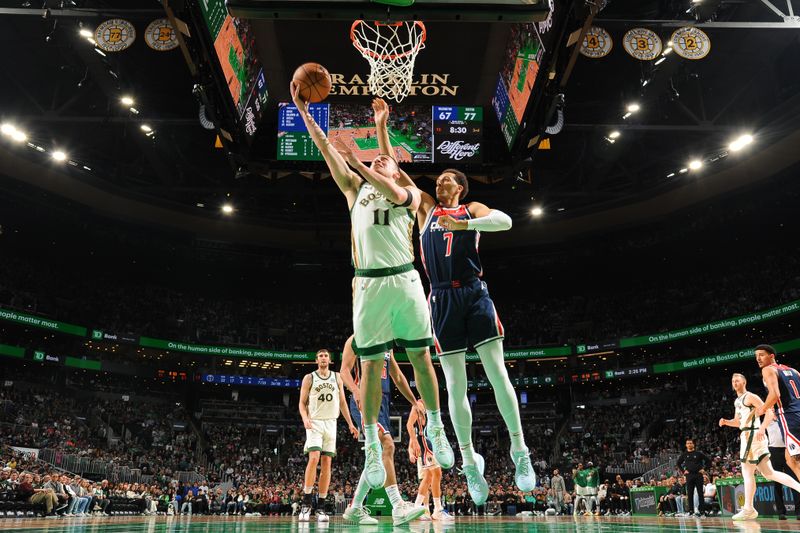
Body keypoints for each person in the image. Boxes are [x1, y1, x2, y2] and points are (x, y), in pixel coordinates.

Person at [290, 81, 454, 494]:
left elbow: (388, 180)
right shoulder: (354, 190)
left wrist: (364, 159)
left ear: (397, 168)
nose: (380, 161)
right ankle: (367, 446)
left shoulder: (409, 193)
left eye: (387, 160)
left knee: (420, 357)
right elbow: (326, 148)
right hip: (367, 286)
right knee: (374, 367)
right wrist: (305, 112)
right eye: (376, 160)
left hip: (404, 279)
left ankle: (435, 425)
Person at [372, 97, 534, 506]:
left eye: (447, 179)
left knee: (497, 373)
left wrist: (464, 220)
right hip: (441, 300)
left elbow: (506, 221)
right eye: (439, 179)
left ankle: (520, 451)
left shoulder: (469, 207)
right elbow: (396, 173)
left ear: (459, 188)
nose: (440, 182)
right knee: (455, 386)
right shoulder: (425, 207)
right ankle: (470, 464)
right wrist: (381, 126)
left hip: (474, 292)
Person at [339, 334, 427, 525]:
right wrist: (355, 391)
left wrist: (414, 401)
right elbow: (344, 370)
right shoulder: (356, 338)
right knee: (388, 446)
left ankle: (355, 507)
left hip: (384, 402)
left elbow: (397, 376)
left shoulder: (388, 342)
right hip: (365, 398)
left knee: (377, 455)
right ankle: (397, 506)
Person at [720, 372, 800, 520]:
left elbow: (769, 411)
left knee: (747, 472)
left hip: (752, 435)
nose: (734, 383)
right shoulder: (738, 401)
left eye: (737, 380)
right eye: (733, 381)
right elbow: (738, 422)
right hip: (747, 435)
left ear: (744, 382)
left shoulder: (750, 396)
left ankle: (749, 509)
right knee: (769, 473)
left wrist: (762, 428)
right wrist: (726, 421)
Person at [298, 348, 359, 522]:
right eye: (320, 356)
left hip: (331, 423)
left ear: (330, 360)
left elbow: (342, 402)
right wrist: (305, 418)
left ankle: (321, 507)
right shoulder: (309, 378)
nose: (323, 358)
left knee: (327, 462)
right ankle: (306, 503)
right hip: (315, 422)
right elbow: (302, 404)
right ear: (316, 360)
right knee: (314, 457)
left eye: (326, 356)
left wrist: (350, 423)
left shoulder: (337, 377)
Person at [755, 344, 800, 481]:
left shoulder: (768, 370)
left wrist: (762, 409)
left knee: (795, 460)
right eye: (756, 356)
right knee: (789, 459)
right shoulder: (793, 370)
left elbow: (775, 394)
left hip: (789, 416)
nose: (758, 359)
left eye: (761, 355)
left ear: (772, 356)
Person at [408, 403, 454, 522]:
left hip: (429, 444)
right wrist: (414, 442)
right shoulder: (417, 405)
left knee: (428, 477)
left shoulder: (428, 407)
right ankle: (437, 509)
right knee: (437, 474)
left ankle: (418, 507)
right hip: (425, 445)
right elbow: (409, 425)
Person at [675, 438, 710, 516]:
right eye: (688, 443)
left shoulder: (698, 453)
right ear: (686, 445)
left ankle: (702, 511)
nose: (689, 444)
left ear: (693, 444)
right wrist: (683, 471)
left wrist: (704, 469)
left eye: (691, 443)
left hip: (698, 475)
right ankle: (691, 511)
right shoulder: (684, 454)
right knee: (690, 493)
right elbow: (678, 463)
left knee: (700, 493)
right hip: (689, 475)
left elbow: (708, 461)